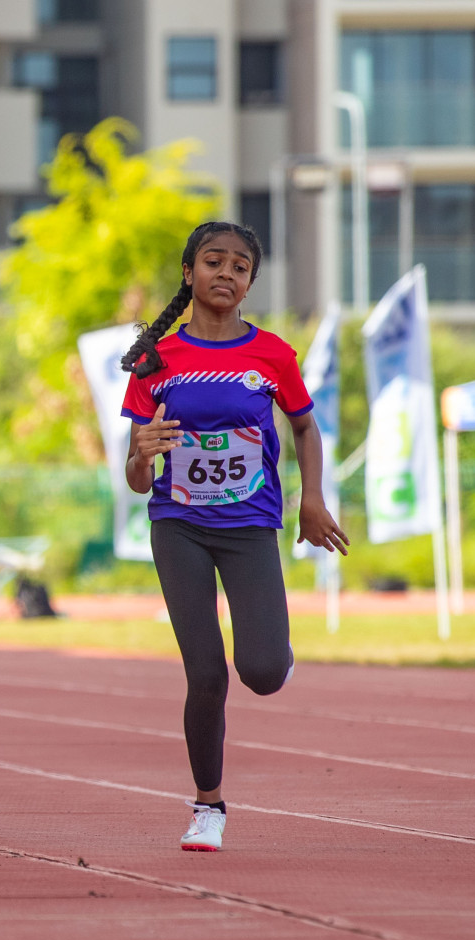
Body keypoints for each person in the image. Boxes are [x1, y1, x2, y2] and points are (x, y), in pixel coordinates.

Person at [120, 220, 348, 852]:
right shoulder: (155, 362)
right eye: (213, 261)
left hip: (250, 527)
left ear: (250, 282)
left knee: (264, 671)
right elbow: (138, 477)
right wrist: (141, 455)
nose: (226, 273)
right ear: (189, 273)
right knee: (206, 674)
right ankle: (208, 806)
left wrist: (312, 500)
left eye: (239, 266)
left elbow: (305, 428)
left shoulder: (271, 353)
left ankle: (276, 650)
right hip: (178, 525)